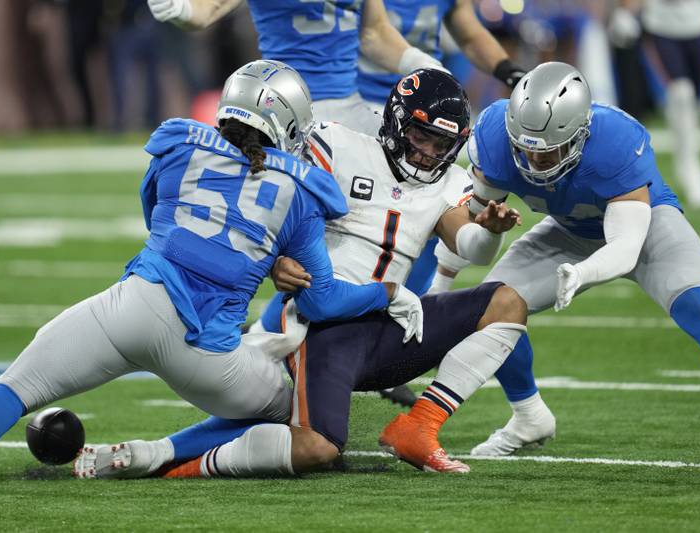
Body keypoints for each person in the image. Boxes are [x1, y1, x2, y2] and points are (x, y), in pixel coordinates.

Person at [0, 59, 424, 461]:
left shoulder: (178, 147)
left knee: (11, 391)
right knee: (305, 417)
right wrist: (384, 292)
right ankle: (159, 454)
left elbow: (154, 216)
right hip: (206, 354)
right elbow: (322, 302)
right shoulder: (299, 192)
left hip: (127, 311)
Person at [74, 68, 524, 478]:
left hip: (394, 327)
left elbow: (470, 246)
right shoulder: (337, 146)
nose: (428, 154)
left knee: (506, 302)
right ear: (396, 122)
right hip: (328, 326)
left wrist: (491, 231)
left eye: (441, 145)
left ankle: (419, 426)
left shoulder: (448, 184)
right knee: (316, 447)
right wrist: (273, 262)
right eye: (420, 137)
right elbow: (255, 198)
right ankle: (175, 465)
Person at [386, 62, 700, 463]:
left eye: (546, 152)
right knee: (490, 308)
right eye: (523, 147)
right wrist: (442, 282)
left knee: (697, 306)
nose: (532, 160)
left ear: (580, 135)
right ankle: (529, 416)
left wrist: (582, 273)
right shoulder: (495, 136)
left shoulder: (615, 140)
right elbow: (468, 221)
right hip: (567, 231)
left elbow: (626, 246)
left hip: (646, 225)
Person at [356, 0, 528, 296]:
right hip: (365, 103)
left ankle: (411, 302)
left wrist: (511, 73)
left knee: (430, 210)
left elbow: (470, 34)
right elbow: (373, 33)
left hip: (431, 111)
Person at [147, 0, 446, 134]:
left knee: (410, 179)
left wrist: (422, 64)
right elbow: (205, 10)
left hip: (348, 108)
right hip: (282, 110)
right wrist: (181, 9)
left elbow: (375, 33)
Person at [610, 0, 700, 208]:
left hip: (697, 23)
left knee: (694, 103)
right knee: (682, 92)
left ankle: (686, 150)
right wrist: (626, 11)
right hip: (661, 25)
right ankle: (690, 165)